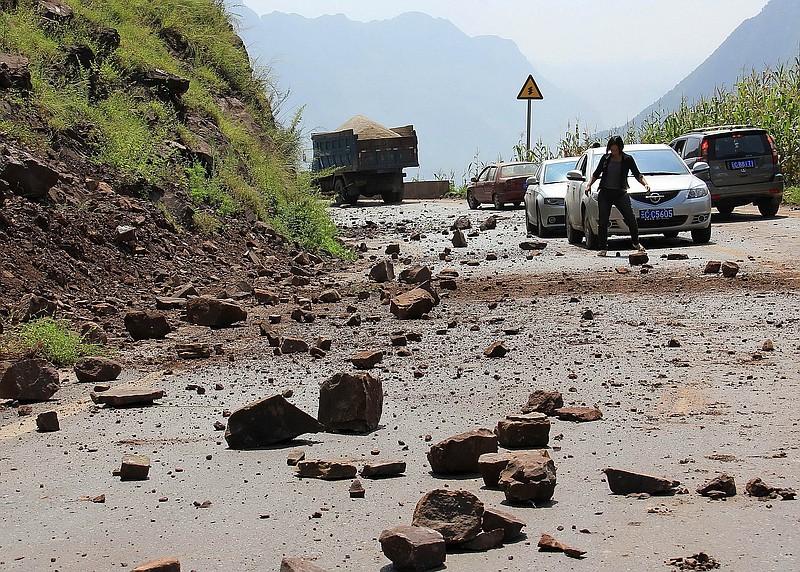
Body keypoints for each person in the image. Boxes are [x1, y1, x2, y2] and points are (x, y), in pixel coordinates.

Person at [584, 135, 650, 256]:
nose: (613, 152)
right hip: (605, 193)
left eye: (615, 149)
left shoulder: (627, 159)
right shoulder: (605, 158)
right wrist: (589, 185)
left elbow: (637, 174)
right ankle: (603, 248)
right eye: (611, 149)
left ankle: (636, 242)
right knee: (603, 220)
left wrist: (645, 185)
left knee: (630, 218)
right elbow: (596, 173)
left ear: (620, 148)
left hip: (620, 193)